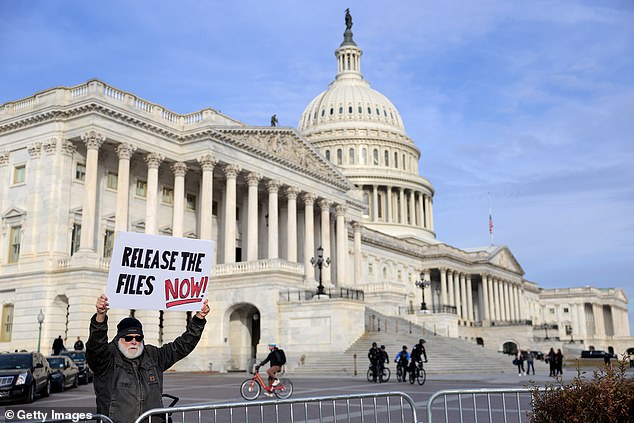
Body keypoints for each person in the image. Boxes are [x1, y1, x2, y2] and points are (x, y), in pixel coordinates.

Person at [86, 294, 209, 423]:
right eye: (128, 338)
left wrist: (199, 319)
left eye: (138, 338)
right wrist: (100, 317)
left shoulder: (153, 355)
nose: (134, 341)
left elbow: (182, 346)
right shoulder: (106, 358)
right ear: (118, 339)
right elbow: (96, 346)